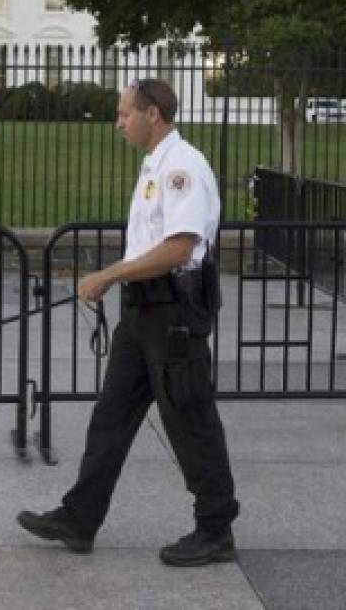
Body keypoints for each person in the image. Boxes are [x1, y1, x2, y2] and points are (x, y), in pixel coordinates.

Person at [17, 78, 239, 566]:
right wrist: (121, 282)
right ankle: (79, 518)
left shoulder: (183, 167)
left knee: (189, 418)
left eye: (124, 114)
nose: (118, 122)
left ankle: (215, 528)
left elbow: (180, 247)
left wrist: (109, 274)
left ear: (152, 114)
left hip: (173, 313)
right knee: (111, 418)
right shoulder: (155, 166)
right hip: (142, 312)